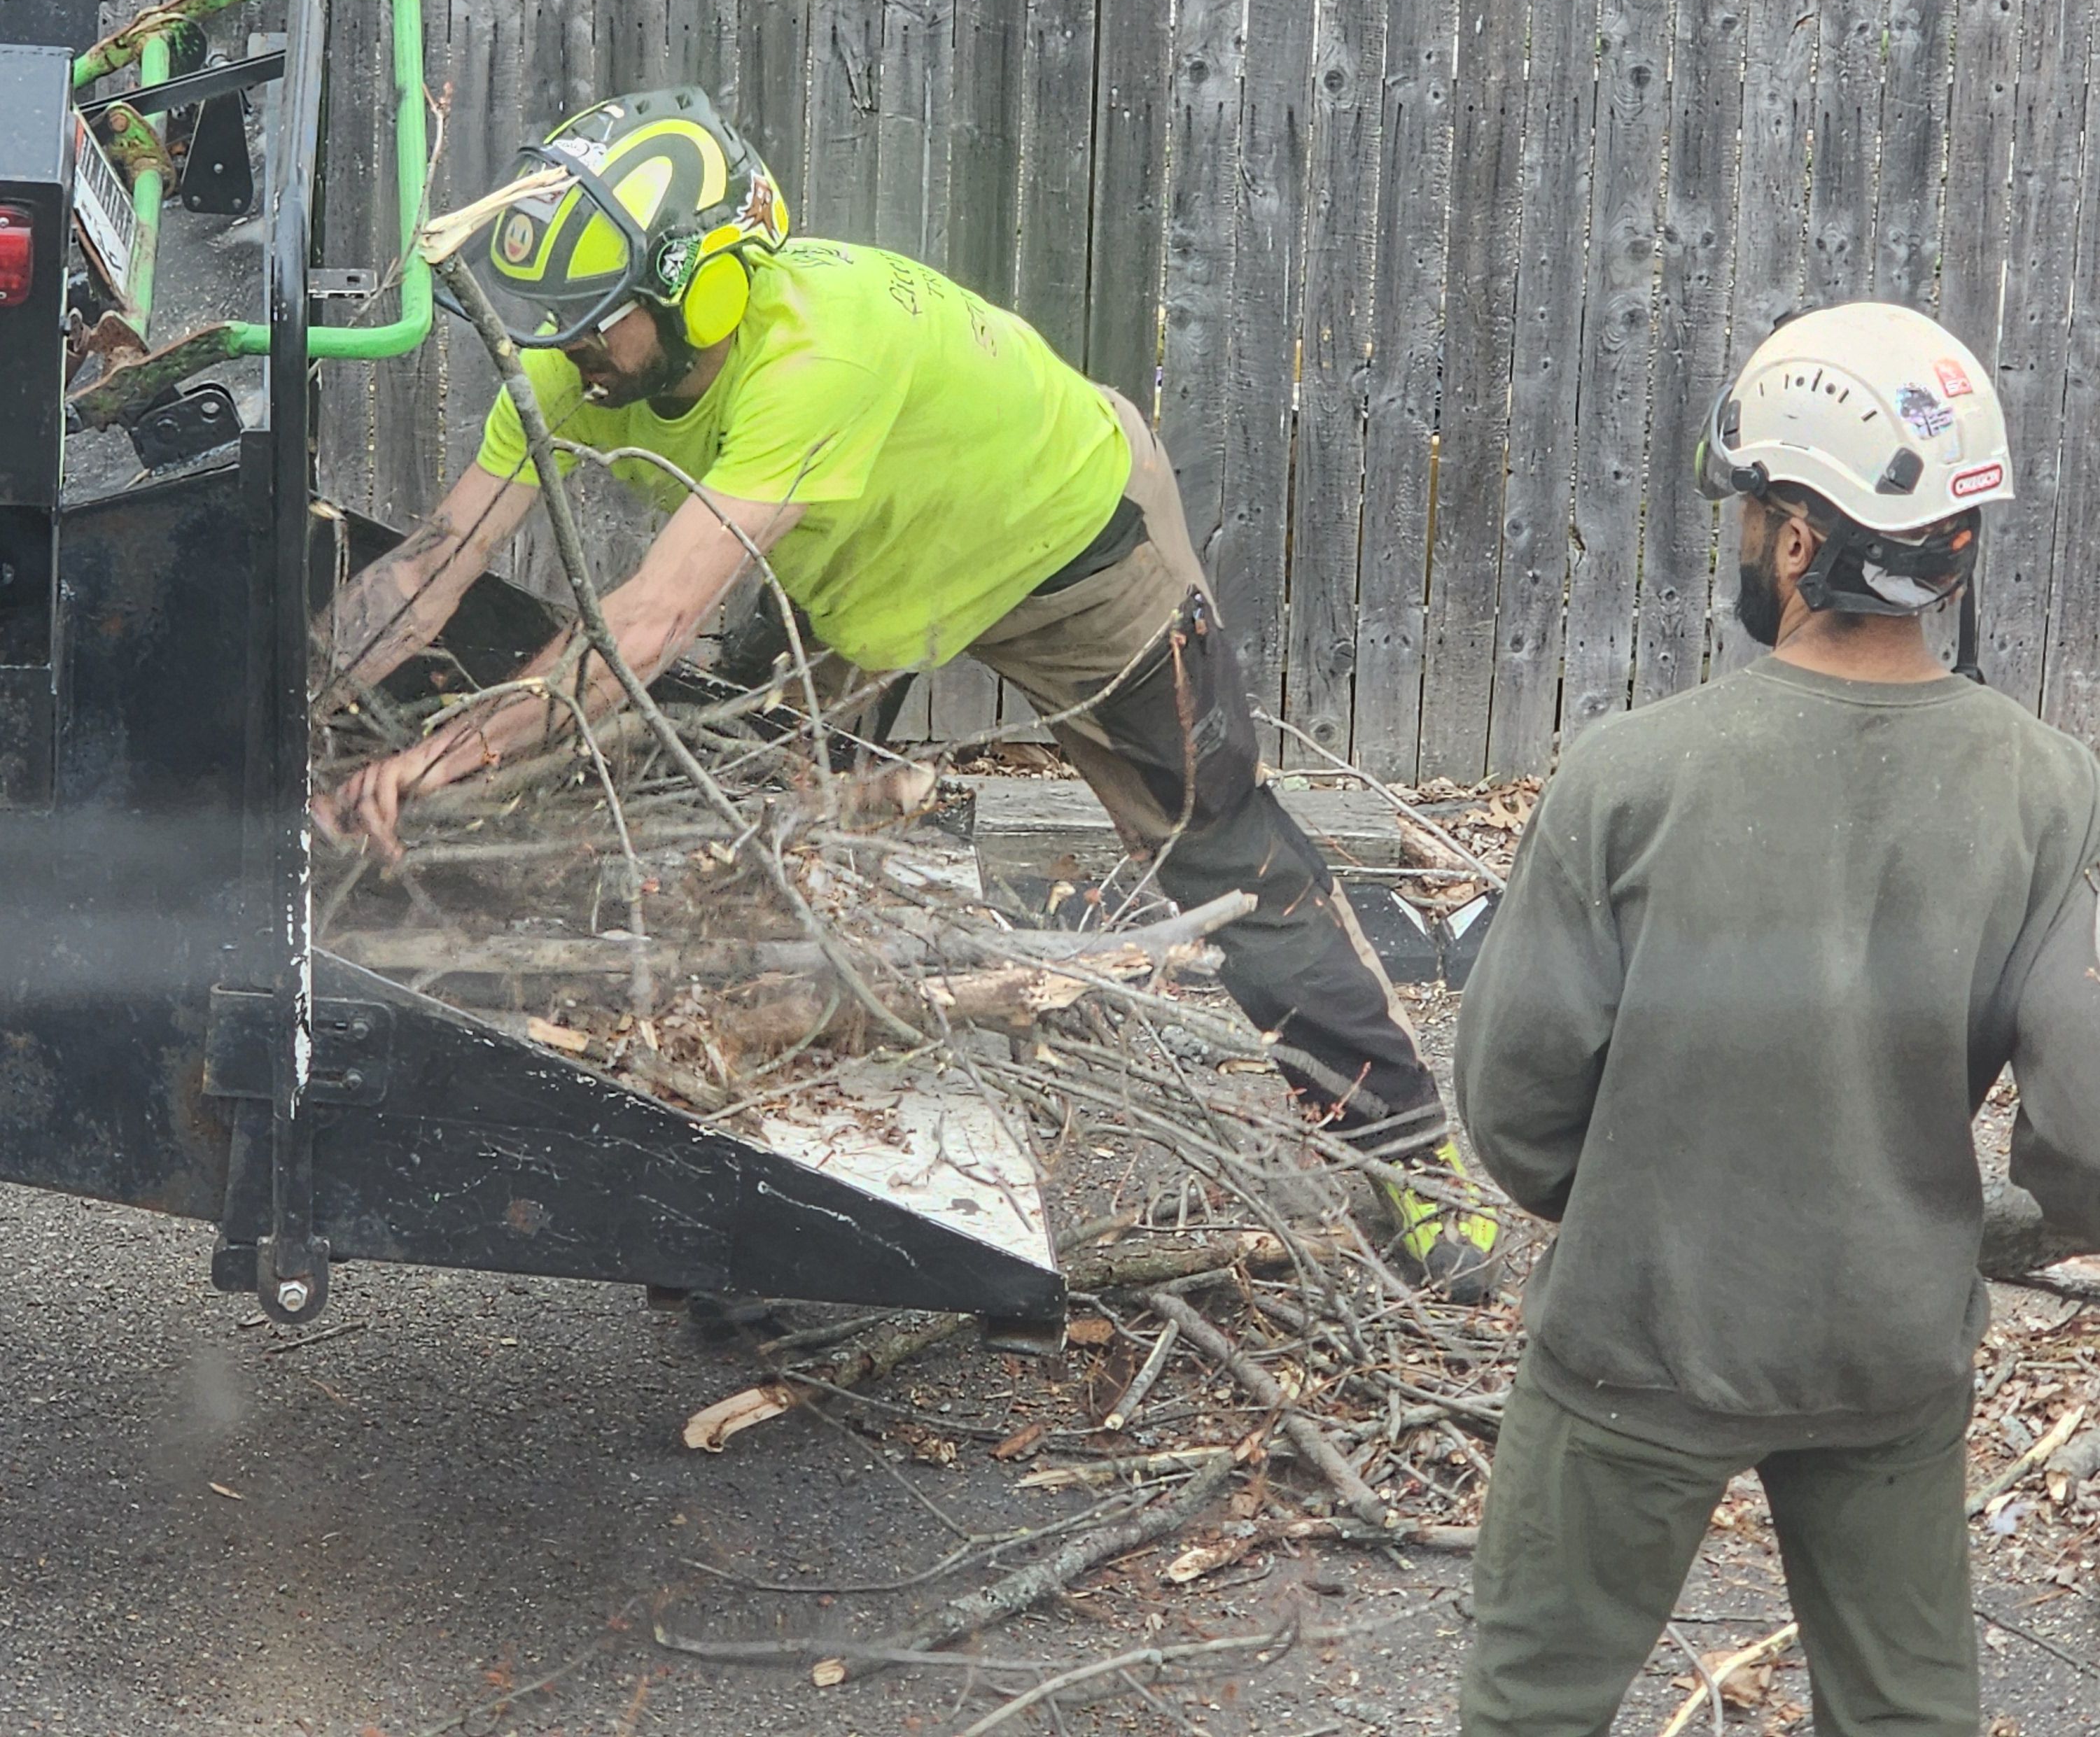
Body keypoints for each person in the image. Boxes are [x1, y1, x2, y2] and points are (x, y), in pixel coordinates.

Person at [316, 84, 1499, 1297]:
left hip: (1065, 546)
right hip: (862, 586)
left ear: (700, 294)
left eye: (593, 324)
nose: (565, 350)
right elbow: (433, 560)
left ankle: (1419, 1172)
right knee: (753, 855)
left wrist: (447, 756)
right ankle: (778, 1222)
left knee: (1225, 857)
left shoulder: (815, 357)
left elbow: (650, 624)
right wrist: (304, 707)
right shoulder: (589, 364)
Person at [1452, 300, 2100, 1736]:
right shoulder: (2051, 791)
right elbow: (2093, 1126)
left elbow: (1510, 1103)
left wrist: (1633, 1201)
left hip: (1638, 1335)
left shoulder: (1627, 774)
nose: (1742, 536)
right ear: (1958, 544)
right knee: (1908, 1713)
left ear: (1800, 538)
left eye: (1750, 507)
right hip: (1888, 1347)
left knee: (1533, 1699)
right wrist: (2003, 1225)